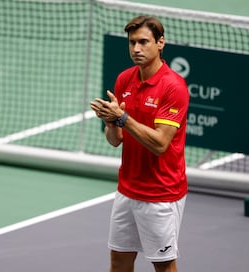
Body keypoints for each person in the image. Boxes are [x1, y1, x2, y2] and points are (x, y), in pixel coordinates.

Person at [90, 15, 189, 272]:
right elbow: (115, 141)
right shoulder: (125, 79)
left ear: (160, 43)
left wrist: (122, 118)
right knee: (119, 262)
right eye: (132, 42)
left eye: (144, 42)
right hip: (127, 191)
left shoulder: (173, 87)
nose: (136, 49)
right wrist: (111, 124)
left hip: (161, 195)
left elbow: (159, 144)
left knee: (164, 266)